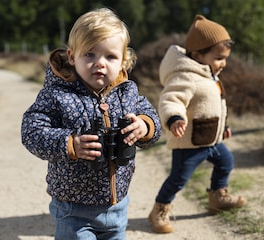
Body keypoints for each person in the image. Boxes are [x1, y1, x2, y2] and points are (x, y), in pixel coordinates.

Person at [21, 8, 161, 240]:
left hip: (118, 204)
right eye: (90, 55)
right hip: (73, 208)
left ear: (123, 60)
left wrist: (145, 127)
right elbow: (31, 131)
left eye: (110, 56)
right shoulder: (57, 94)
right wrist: (69, 144)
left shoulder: (127, 92)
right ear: (72, 56)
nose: (100, 63)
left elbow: (150, 116)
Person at [148, 15, 247, 234]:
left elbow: (216, 106)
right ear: (197, 54)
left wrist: (225, 127)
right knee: (178, 179)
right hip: (189, 142)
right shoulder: (185, 75)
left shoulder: (209, 74)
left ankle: (217, 197)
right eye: (219, 57)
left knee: (226, 162)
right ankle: (159, 210)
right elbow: (171, 99)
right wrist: (175, 118)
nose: (224, 63)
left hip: (211, 138)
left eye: (225, 57)